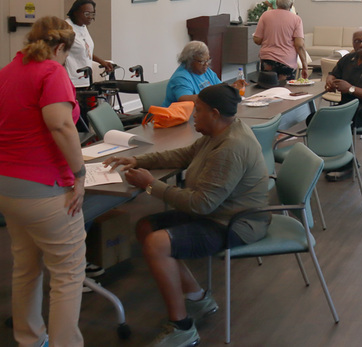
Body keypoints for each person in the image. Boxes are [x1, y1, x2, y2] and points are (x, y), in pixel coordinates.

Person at [105, 84, 270, 347]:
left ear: (214, 113)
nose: (193, 114)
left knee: (156, 243)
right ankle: (197, 299)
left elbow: (201, 204)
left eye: (199, 110)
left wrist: (150, 184)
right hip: (219, 213)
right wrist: (140, 161)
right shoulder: (220, 132)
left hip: (235, 223)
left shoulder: (230, 147)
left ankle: (182, 327)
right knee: (146, 227)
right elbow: (184, 155)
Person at [0, 16, 88, 347]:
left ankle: (30, 339)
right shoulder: (51, 71)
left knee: (25, 264)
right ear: (60, 47)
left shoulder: (3, 75)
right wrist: (79, 175)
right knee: (68, 274)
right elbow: (61, 125)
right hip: (39, 190)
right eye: (67, 54)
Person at [252, 0, 308, 81]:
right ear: (291, 5)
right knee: (285, 91)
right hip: (286, 62)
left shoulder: (265, 15)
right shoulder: (296, 19)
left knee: (267, 90)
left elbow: (257, 39)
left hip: (267, 60)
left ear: (277, 2)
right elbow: (299, 45)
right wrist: (305, 66)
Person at [64, 0, 112, 87]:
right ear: (75, 12)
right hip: (71, 80)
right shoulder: (66, 27)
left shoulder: (83, 26)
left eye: (92, 14)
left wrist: (102, 62)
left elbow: (85, 51)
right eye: (86, 14)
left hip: (85, 78)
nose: (90, 17)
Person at [164, 41, 222, 107]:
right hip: (179, 115)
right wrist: (214, 96)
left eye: (207, 60)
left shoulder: (206, 70)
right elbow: (185, 101)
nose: (206, 64)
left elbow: (220, 87)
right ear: (190, 61)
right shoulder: (181, 78)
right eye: (202, 61)